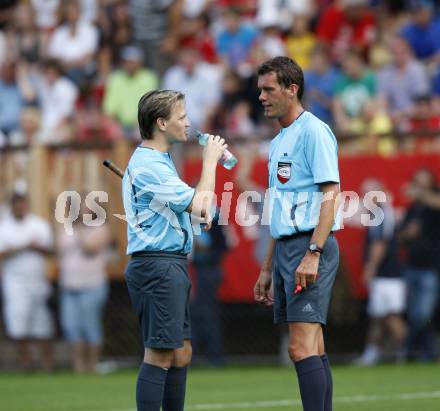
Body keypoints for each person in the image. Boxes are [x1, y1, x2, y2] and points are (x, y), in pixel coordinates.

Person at [122, 89, 227, 411]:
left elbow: (192, 211)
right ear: (162, 123)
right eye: (182, 117)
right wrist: (210, 161)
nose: (188, 123)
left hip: (170, 264)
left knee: (181, 353)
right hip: (158, 266)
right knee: (160, 353)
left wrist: (193, 219)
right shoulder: (149, 165)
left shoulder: (160, 162)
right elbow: (202, 202)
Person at [253, 56, 340, 411]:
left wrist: (314, 251)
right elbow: (279, 208)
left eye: (268, 89)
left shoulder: (314, 131)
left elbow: (331, 194)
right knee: (313, 347)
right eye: (259, 89)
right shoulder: (279, 140)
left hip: (309, 246)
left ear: (292, 90)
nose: (261, 96)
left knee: (299, 347)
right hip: (289, 248)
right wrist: (266, 267)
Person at [0, 190, 54, 371]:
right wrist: (23, 246)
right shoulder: (4, 227)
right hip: (15, 282)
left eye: (23, 203)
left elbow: (49, 250)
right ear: (12, 206)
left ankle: (46, 364)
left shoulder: (38, 225)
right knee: (18, 321)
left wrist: (34, 247)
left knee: (42, 323)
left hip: (37, 280)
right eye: (17, 204)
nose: (20, 207)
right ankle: (25, 363)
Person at [355, 179, 406, 366]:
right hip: (388, 275)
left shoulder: (381, 213)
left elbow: (380, 244)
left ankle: (410, 349)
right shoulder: (385, 212)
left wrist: (370, 268)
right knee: (378, 317)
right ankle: (373, 353)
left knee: (389, 316)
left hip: (387, 275)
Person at [57, 202, 112, 373]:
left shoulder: (101, 228)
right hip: (70, 286)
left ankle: (93, 365)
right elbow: (58, 249)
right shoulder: (67, 229)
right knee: (71, 326)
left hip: (92, 285)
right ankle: (78, 366)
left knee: (90, 325)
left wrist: (80, 229)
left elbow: (89, 248)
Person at [399, 168, 440, 361]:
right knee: (414, 313)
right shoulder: (413, 208)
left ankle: (409, 350)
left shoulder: (432, 201)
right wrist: (408, 234)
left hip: (431, 267)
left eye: (424, 183)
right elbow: (399, 236)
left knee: (424, 313)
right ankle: (425, 353)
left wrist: (420, 193)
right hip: (412, 266)